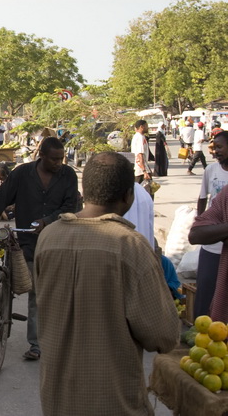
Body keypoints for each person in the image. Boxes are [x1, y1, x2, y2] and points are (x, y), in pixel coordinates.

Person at [34, 152, 179, 416]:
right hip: (114, 401)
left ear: (83, 191)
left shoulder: (48, 237)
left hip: (56, 398)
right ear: (128, 196)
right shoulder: (130, 245)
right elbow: (163, 335)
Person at [0, 136, 78, 360]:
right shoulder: (23, 173)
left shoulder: (68, 176)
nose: (58, 163)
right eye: (54, 159)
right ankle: (1, 310)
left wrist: (48, 221)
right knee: (20, 282)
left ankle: (36, 344)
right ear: (41, 155)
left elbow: (72, 206)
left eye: (61, 159)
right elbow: (1, 196)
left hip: (55, 243)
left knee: (38, 296)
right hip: (26, 243)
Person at [191, 131, 228, 317]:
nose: (215, 151)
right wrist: (201, 221)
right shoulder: (211, 171)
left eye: (220, 147)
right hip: (212, 244)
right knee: (205, 288)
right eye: (214, 147)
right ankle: (201, 331)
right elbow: (202, 198)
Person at [130, 119, 151, 183]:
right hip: (140, 170)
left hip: (143, 168)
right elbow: (139, 154)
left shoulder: (141, 136)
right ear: (142, 127)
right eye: (146, 126)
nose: (148, 128)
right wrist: (144, 171)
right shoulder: (139, 137)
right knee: (143, 191)